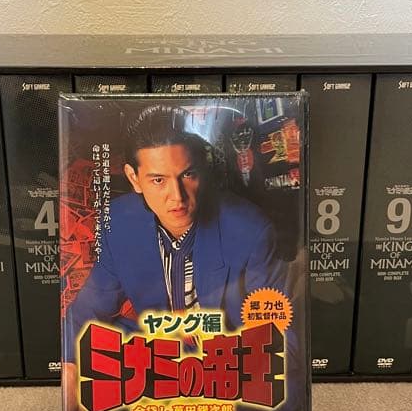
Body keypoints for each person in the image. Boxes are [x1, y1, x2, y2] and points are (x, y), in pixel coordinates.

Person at [63, 104, 289, 368]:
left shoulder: (250, 229)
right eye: (158, 180)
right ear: (134, 179)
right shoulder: (119, 222)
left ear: (201, 169)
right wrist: (69, 366)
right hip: (159, 353)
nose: (177, 197)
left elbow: (279, 337)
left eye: (187, 175)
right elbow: (88, 310)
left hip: (228, 358)